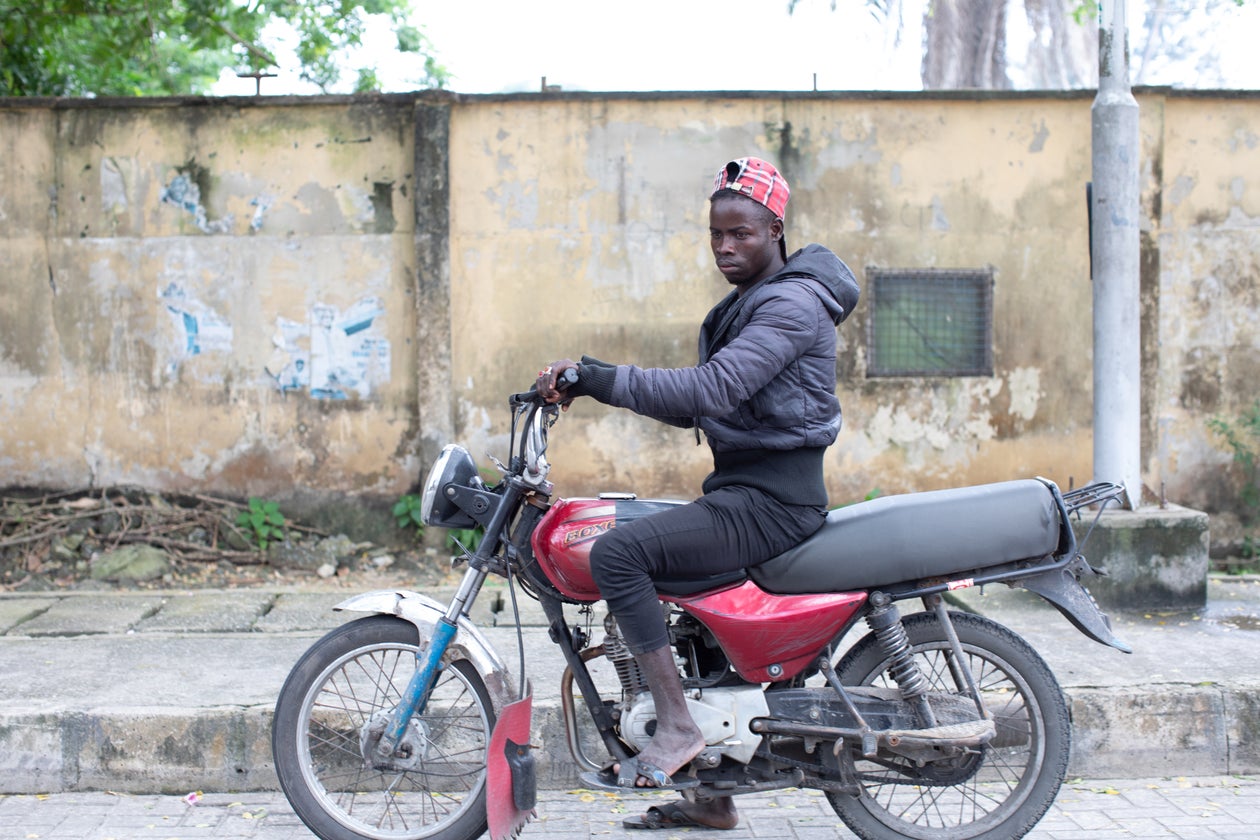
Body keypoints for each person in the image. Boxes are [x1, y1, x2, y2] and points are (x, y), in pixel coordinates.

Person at [536, 156, 858, 831]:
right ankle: (712, 800)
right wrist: (588, 384)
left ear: (776, 230)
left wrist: (597, 377)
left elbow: (708, 390)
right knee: (682, 599)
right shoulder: (752, 302)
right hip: (745, 492)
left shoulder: (790, 305)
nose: (724, 247)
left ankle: (678, 728)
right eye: (715, 235)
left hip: (773, 505)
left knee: (620, 556)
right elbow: (701, 406)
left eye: (740, 234)